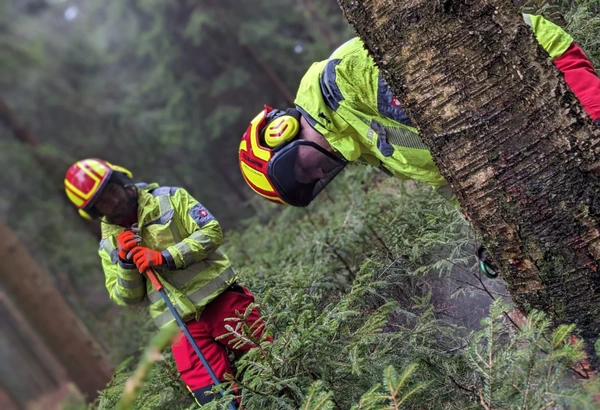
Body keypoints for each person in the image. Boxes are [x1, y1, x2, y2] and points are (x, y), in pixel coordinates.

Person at [237, 14, 600, 276]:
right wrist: (495, 233)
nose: (316, 174)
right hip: (514, 118)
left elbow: (458, 110)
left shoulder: (343, 81)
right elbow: (456, 179)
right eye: (308, 183)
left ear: (282, 132)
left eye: (299, 167)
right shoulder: (364, 145)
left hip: (532, 65)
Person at [64, 158, 267, 407]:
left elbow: (211, 231)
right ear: (96, 213)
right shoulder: (108, 245)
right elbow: (125, 296)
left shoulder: (170, 198)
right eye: (104, 202)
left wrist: (165, 257)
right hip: (180, 328)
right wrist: (127, 264)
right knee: (215, 400)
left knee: (271, 362)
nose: (114, 201)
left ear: (121, 179)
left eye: (112, 191)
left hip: (222, 301)